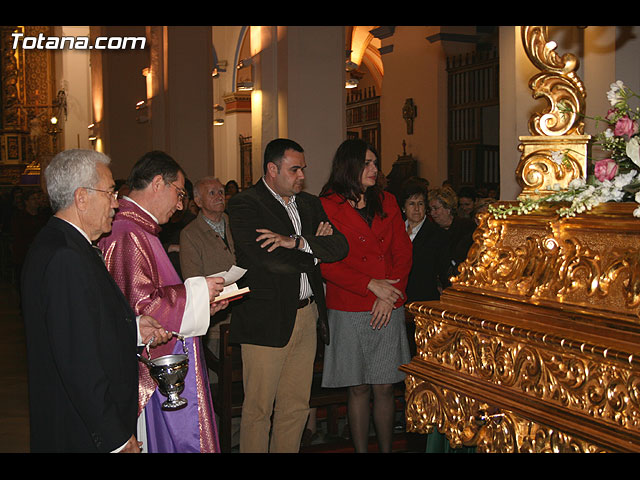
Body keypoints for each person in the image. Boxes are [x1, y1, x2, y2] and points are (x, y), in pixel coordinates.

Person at [21, 149, 171, 453]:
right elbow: (78, 361)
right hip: (80, 431)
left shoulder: (69, 244)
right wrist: (114, 437)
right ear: (81, 197)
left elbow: (86, 324)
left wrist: (134, 329)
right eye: (110, 192)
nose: (116, 202)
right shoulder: (65, 257)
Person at [98, 150, 229, 453]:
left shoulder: (140, 230)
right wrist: (196, 293)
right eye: (180, 193)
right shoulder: (126, 233)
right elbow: (142, 310)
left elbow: (156, 295)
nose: (182, 205)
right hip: (153, 374)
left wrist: (202, 304)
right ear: (158, 183)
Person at [228, 138, 348, 453]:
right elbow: (266, 261)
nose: (301, 176)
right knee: (258, 410)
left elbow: (340, 246)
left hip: (307, 315)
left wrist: (294, 242)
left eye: (303, 169)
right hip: (266, 319)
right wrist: (313, 248)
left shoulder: (309, 203)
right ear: (272, 169)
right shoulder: (246, 203)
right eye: (294, 169)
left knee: (296, 406)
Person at [319, 138, 413, 453]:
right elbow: (325, 263)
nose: (375, 169)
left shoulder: (386, 200)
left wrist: (389, 295)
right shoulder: (326, 205)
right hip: (349, 305)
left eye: (375, 163)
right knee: (358, 388)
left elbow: (403, 253)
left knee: (385, 386)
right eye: (368, 163)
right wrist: (369, 284)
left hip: (388, 303)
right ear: (350, 166)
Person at [179, 176, 236, 360]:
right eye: (212, 193)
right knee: (216, 380)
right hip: (216, 317)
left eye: (221, 191)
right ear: (198, 201)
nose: (220, 196)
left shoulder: (235, 222)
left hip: (245, 313)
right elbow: (193, 280)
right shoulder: (190, 234)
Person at [401, 182, 451, 303]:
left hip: (424, 299)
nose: (417, 209)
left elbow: (444, 271)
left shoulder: (438, 235)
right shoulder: (395, 230)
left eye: (421, 204)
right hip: (397, 297)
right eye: (412, 204)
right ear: (403, 208)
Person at [428, 187, 476, 278]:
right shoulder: (432, 231)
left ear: (448, 208)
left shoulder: (467, 227)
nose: (432, 213)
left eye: (435, 209)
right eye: (430, 209)